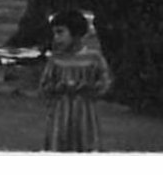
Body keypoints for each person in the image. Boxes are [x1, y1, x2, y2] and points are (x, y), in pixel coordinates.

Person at [40, 9, 113, 152]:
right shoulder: (56, 60)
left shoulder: (93, 58)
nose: (56, 38)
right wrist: (57, 87)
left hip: (85, 115)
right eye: (54, 33)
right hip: (60, 116)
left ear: (76, 33)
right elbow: (44, 85)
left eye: (60, 32)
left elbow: (105, 82)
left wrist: (89, 87)